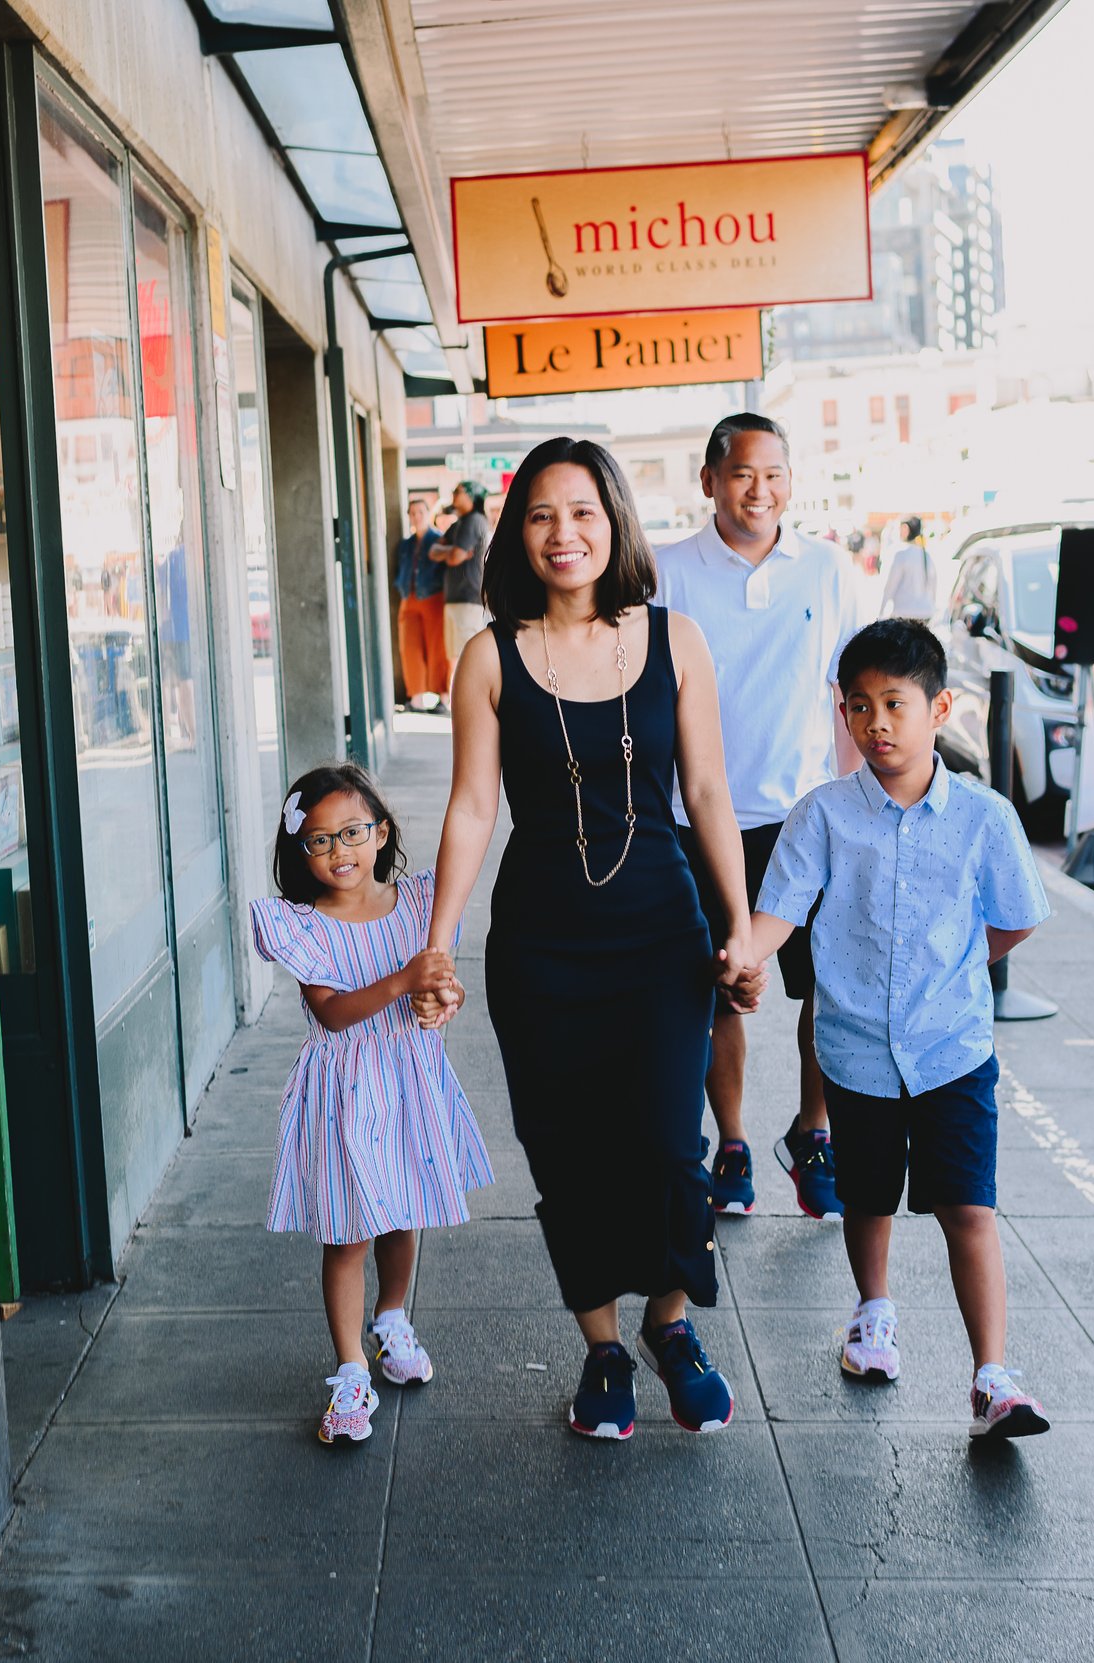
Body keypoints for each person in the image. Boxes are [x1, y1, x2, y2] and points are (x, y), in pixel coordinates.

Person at [420, 436, 759, 1441]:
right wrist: (439, 941)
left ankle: (669, 1324)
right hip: (540, 945)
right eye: (539, 516)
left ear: (614, 523)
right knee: (567, 1155)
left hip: (660, 932)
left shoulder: (675, 639)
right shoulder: (488, 656)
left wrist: (740, 926)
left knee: (666, 1145)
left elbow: (705, 791)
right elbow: (473, 806)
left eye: (581, 513)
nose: (562, 534)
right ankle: (603, 1349)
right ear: (516, 534)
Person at [739, 618, 1054, 1440]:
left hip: (953, 1049)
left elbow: (1018, 918)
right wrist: (745, 953)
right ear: (842, 715)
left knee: (969, 1206)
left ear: (940, 707)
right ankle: (872, 1314)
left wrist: (955, 966)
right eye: (859, 705)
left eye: (895, 703)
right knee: (868, 1196)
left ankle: (993, 1375)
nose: (876, 722)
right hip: (855, 1051)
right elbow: (782, 908)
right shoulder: (823, 815)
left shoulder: (983, 815)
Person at [656, 414, 863, 1222]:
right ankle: (732, 1141)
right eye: (743, 473)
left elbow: (852, 696)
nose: (760, 490)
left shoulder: (829, 568)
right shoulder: (667, 571)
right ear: (709, 479)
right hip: (693, 819)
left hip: (806, 818)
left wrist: (860, 807)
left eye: (775, 473)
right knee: (715, 991)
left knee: (827, 988)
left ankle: (812, 1133)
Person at [250, 762, 494, 1445]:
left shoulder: (418, 904)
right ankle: (351, 1367)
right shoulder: (306, 926)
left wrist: (441, 993)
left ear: (381, 832)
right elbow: (331, 1012)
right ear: (301, 853)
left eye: (352, 832)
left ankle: (391, 1318)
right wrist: (401, 979)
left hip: (408, 1079)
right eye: (321, 840)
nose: (339, 851)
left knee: (401, 1208)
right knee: (348, 1230)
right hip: (345, 1094)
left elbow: (438, 983)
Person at [434, 481, 492, 685]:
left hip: (468, 597)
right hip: (455, 599)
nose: (453, 495)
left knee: (467, 658)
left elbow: (454, 557)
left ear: (471, 496)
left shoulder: (474, 521)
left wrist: (451, 552)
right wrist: (451, 551)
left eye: (457, 492)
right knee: (454, 657)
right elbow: (434, 551)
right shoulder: (458, 523)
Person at [395, 494, 448, 711]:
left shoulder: (439, 539)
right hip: (409, 597)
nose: (417, 516)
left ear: (428, 514)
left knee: (437, 648)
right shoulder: (405, 545)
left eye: (421, 512)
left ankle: (443, 697)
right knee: (410, 647)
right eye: (413, 513)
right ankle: (416, 697)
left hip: (434, 597)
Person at [880, 515, 938, 620]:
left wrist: (880, 613)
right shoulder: (926, 555)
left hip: (904, 614)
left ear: (905, 529)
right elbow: (933, 585)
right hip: (925, 614)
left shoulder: (900, 554)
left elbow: (889, 587)